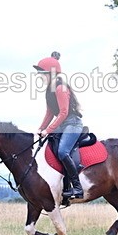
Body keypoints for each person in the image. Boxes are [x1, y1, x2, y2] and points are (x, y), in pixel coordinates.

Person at [34, 51, 84, 200]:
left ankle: (77, 188)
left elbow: (63, 112)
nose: (40, 76)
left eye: (42, 73)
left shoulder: (60, 88)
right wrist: (40, 128)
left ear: (51, 74)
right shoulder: (49, 90)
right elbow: (50, 112)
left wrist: (48, 130)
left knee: (63, 151)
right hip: (62, 124)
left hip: (73, 124)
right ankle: (64, 186)